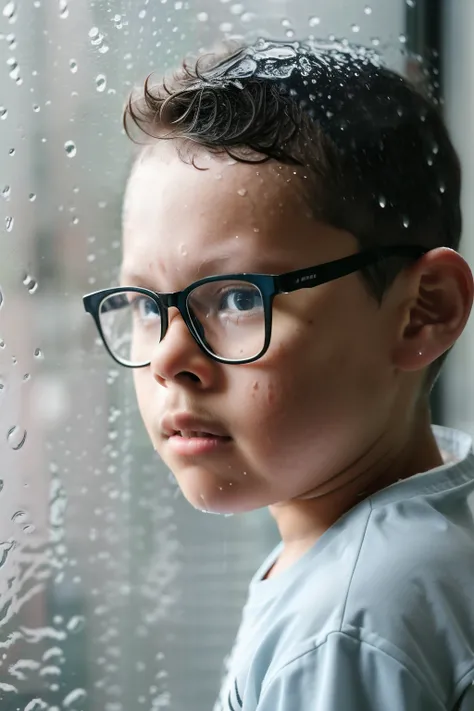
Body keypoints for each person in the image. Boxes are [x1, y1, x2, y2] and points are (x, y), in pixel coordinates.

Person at [83, 38, 474, 710]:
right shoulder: (439, 519)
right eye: (147, 305)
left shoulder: (347, 626)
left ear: (422, 312)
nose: (169, 357)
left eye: (238, 298)